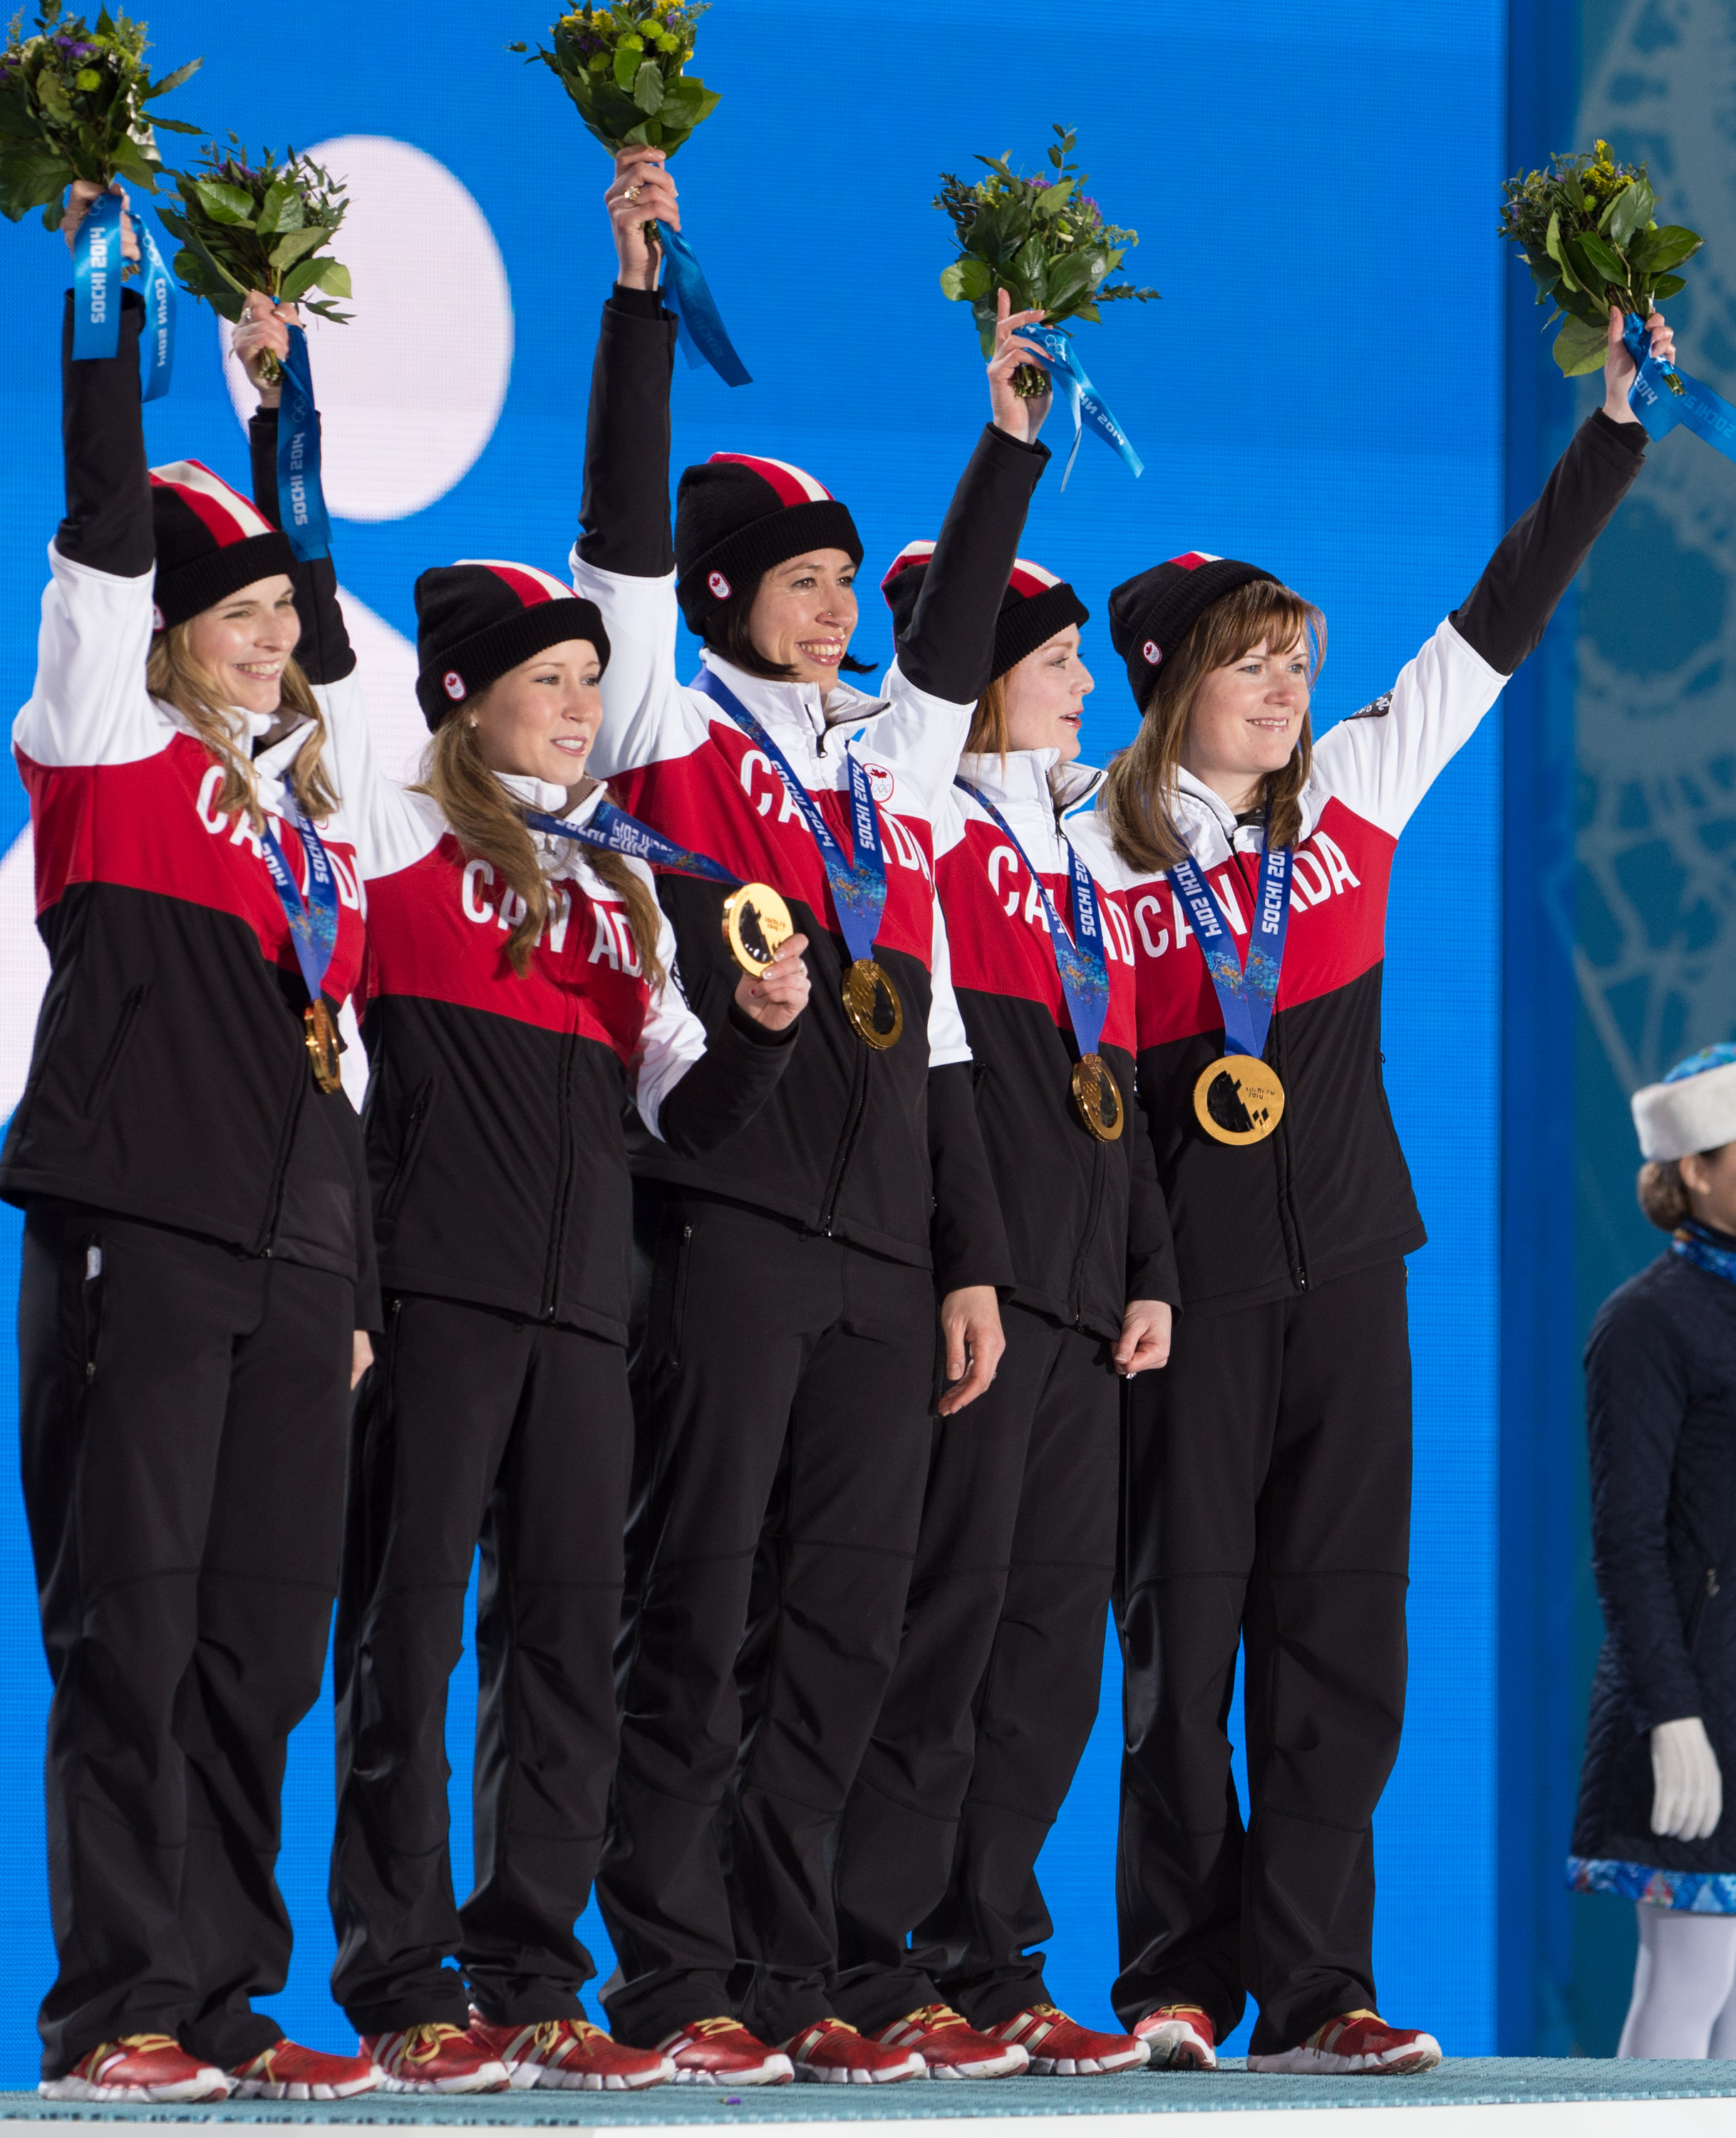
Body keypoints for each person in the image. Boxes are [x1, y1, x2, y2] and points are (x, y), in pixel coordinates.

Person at [219, 300, 811, 2092]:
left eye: (589, 684)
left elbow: (680, 1108)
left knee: (562, 1644)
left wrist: (762, 1031)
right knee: (403, 1641)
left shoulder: (624, 884)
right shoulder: (394, 821)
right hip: (433, 1296)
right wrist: (283, 416)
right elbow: (320, 625)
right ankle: (402, 1981)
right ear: (467, 696)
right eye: (552, 682)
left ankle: (536, 1975)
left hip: (585, 1316)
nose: (583, 709)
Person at [1100, 303, 1676, 2075]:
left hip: (1350, 1267)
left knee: (1339, 1633)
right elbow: (1088, 1107)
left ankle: (1317, 1990)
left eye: (1299, 661)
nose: (1287, 692)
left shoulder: (1350, 792)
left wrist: (1612, 433)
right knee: (1184, 1635)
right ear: (1168, 682)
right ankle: (1174, 1985)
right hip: (1181, 1294)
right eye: (1251, 665)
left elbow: (1497, 621)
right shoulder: (1084, 849)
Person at [570, 148, 1050, 2082]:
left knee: (848, 1622)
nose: (843, 608)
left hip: (881, 1247)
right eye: (806, 582)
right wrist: (636, 308)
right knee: (698, 1606)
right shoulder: (662, 726)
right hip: (724, 1220)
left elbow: (932, 1043)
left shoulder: (884, 769)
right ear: (719, 598)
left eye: (850, 581)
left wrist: (1008, 441)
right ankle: (671, 1977)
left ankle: (800, 1974)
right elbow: (616, 540)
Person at [0, 185, 382, 2104]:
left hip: (298, 1261)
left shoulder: (314, 822)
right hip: (138, 1227)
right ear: (166, 634)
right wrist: (110, 315)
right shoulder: (104, 748)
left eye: (278, 621)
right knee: (133, 1629)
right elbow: (96, 540)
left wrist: (277, 400)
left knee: (260, 1648)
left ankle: (225, 1995)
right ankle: (116, 2013)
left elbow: (344, 1067)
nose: (268, 644)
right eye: (234, 619)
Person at [827, 548, 1179, 2076]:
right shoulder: (925, 830)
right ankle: (871, 1952)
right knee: (945, 1632)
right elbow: (944, 1078)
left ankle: (992, 1961)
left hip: (1086, 1305)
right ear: (979, 677)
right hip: (982, 1294)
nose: (1088, 685)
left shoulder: (1078, 850)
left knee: (1047, 1657)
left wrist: (1150, 1268)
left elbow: (1118, 1085)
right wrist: (966, 1255)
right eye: (1056, 662)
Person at [1569, 1042, 1736, 2060]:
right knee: (1689, 1981)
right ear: (1692, 1168)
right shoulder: (1645, 1324)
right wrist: (1673, 1715)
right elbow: (1625, 1541)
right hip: (1697, 1695)